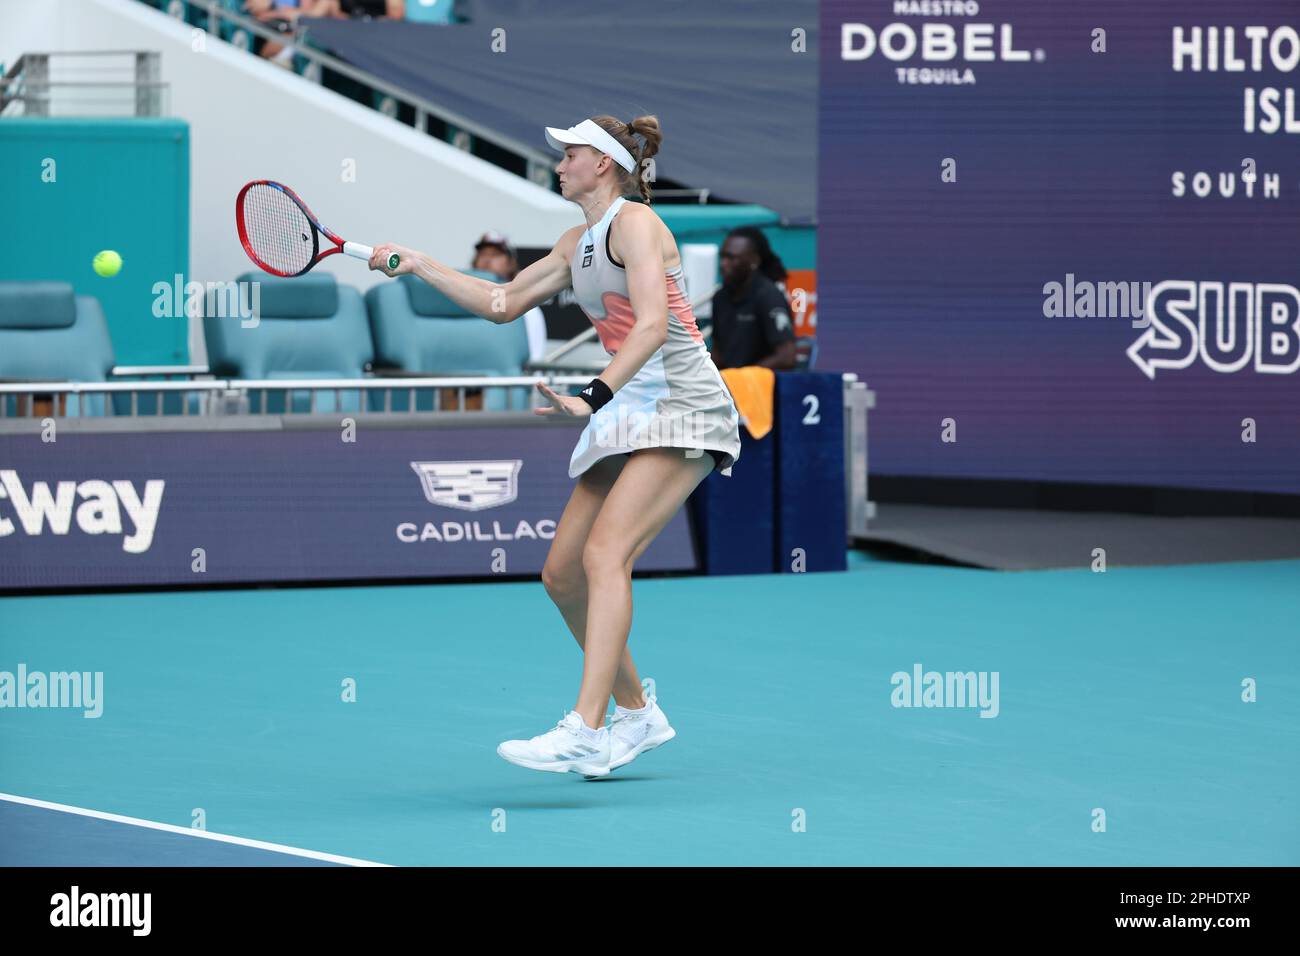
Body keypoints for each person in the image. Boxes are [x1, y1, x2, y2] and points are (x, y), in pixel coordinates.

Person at [368, 114, 741, 778]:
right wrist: (422, 264)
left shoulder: (636, 224)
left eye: (569, 154)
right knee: (562, 574)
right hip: (627, 405)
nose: (559, 163)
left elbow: (653, 326)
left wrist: (590, 397)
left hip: (680, 402)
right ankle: (638, 714)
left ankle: (586, 728)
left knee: (605, 555)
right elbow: (503, 301)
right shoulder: (577, 243)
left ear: (603, 163)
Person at [709, 226, 797, 371]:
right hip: (728, 386)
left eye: (731, 258)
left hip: (761, 387)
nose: (723, 264)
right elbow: (717, 353)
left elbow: (787, 356)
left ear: (754, 261)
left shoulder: (769, 296)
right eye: (722, 257)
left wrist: (744, 377)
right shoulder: (720, 297)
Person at [471, 232, 547, 364]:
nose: (487, 260)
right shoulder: (464, 302)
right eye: (483, 254)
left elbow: (534, 361)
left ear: (511, 263)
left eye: (495, 255)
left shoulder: (527, 308)